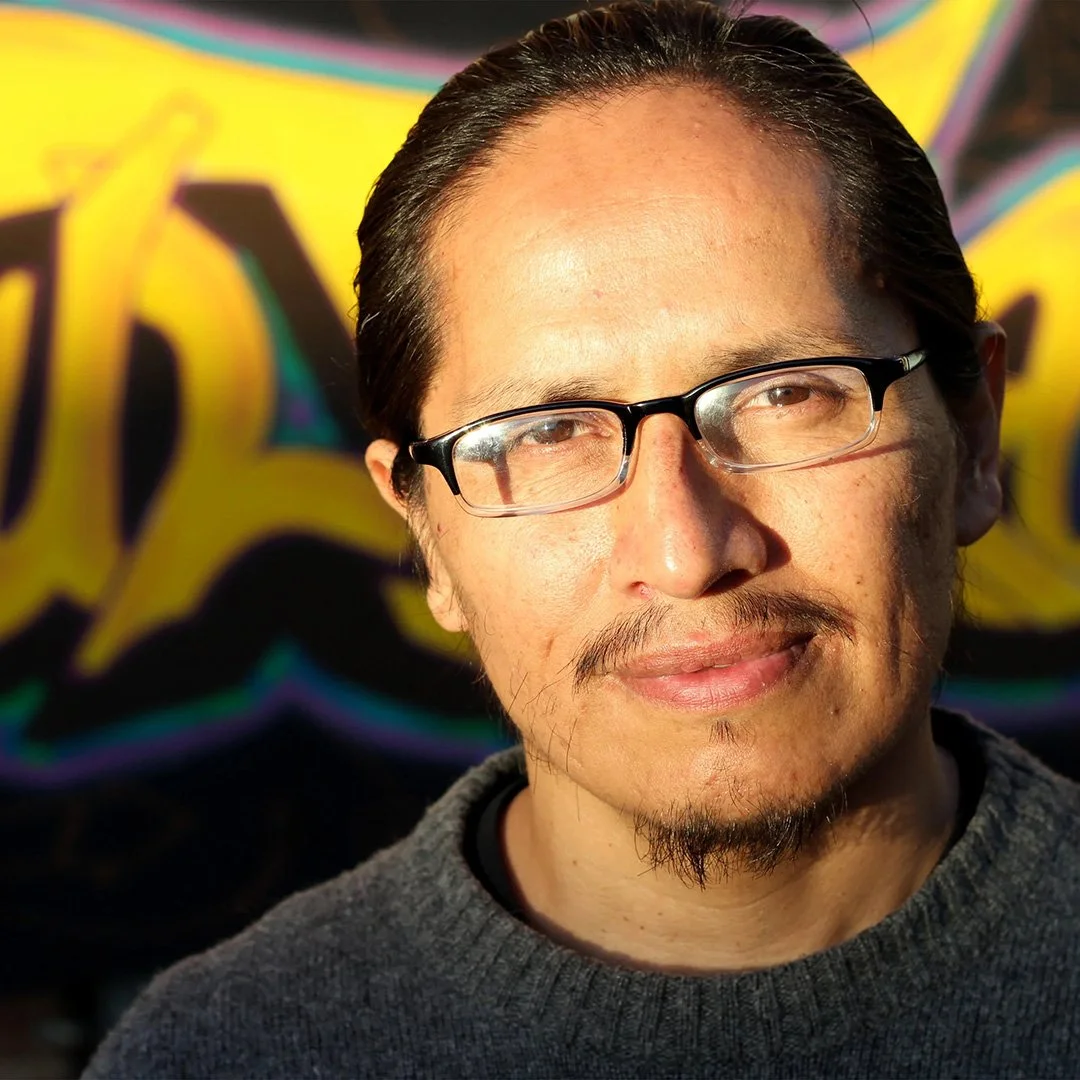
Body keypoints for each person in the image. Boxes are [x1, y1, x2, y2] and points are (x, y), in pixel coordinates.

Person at [86, 2, 1080, 1077]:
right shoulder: (216, 1056)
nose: (687, 551)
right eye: (547, 432)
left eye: (787, 394)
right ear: (425, 532)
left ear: (974, 437)